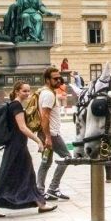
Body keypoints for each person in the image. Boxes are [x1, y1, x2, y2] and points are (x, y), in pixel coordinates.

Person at [0, 82, 57, 217]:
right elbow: (22, 127)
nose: (27, 93)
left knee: (23, 175)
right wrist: (38, 140)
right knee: (12, 176)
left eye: (28, 91)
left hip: (16, 145)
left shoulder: (13, 105)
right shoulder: (16, 106)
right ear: (17, 91)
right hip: (17, 147)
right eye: (24, 91)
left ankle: (40, 203)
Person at [36, 68, 71, 201]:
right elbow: (45, 116)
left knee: (46, 162)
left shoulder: (46, 92)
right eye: (55, 79)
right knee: (67, 157)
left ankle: (41, 191)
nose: (59, 80)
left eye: (59, 78)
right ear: (47, 80)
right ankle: (52, 188)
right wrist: (48, 137)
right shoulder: (48, 95)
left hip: (47, 133)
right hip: (51, 134)